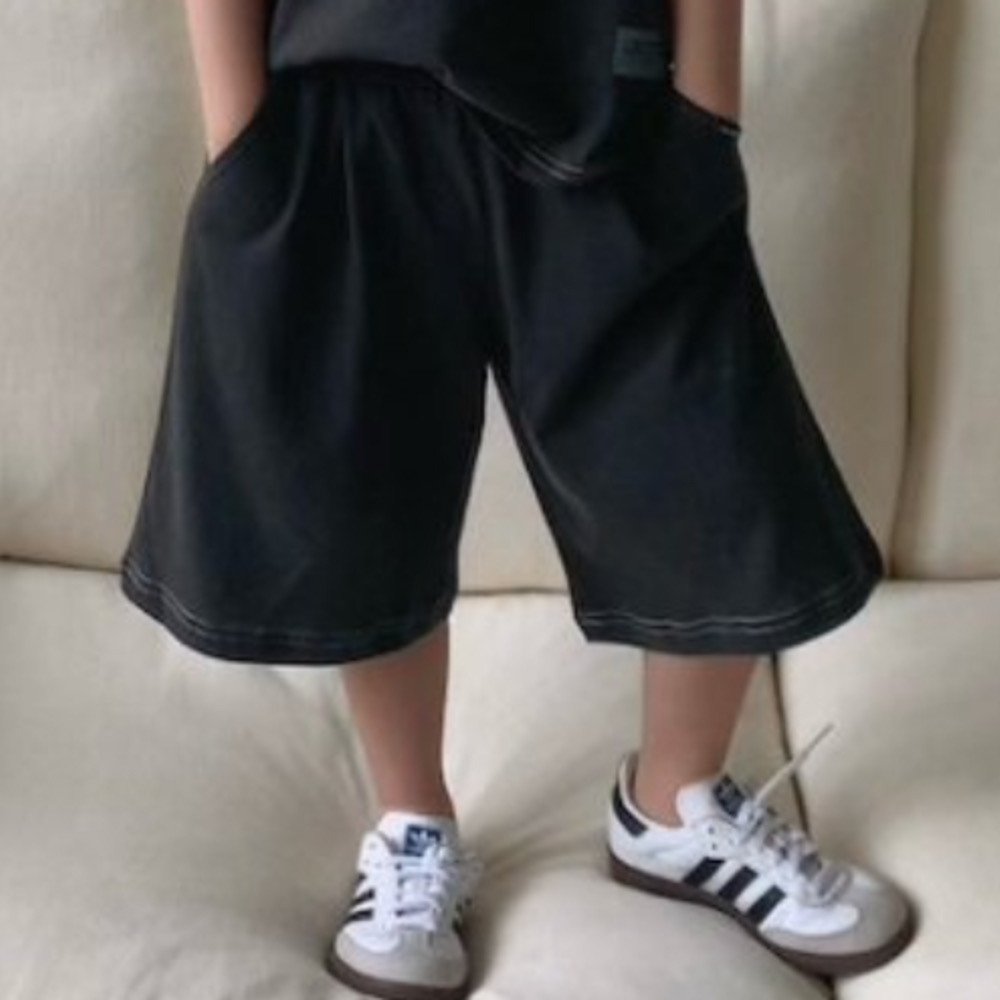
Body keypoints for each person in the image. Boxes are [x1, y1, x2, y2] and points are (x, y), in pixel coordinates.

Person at [118, 1, 916, 997]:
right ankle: (412, 820)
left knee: (707, 447)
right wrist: (239, 133)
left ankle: (677, 799)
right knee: (364, 473)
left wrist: (707, 109)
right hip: (343, 91)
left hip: (606, 91)